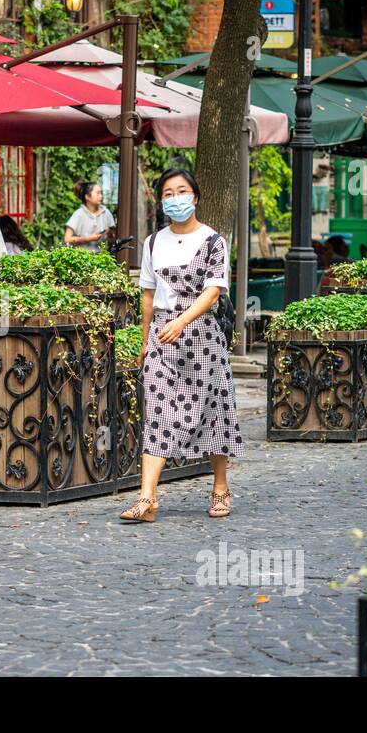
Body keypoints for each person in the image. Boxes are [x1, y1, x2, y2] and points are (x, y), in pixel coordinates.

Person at [121, 169, 243, 523]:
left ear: (196, 196)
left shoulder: (213, 241)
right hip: (162, 336)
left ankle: (220, 486)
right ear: (161, 201)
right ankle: (147, 499)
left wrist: (182, 320)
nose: (175, 198)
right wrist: (144, 340)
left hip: (202, 335)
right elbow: (147, 294)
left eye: (182, 191)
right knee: (157, 411)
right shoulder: (153, 242)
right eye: (168, 193)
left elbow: (213, 290)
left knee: (212, 409)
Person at [64, 181, 115, 252]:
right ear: (87, 197)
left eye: (101, 193)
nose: (101, 196)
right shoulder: (78, 214)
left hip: (102, 258)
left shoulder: (106, 213)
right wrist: (88, 239)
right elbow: (67, 239)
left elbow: (112, 241)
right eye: (97, 193)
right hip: (81, 258)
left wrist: (110, 235)